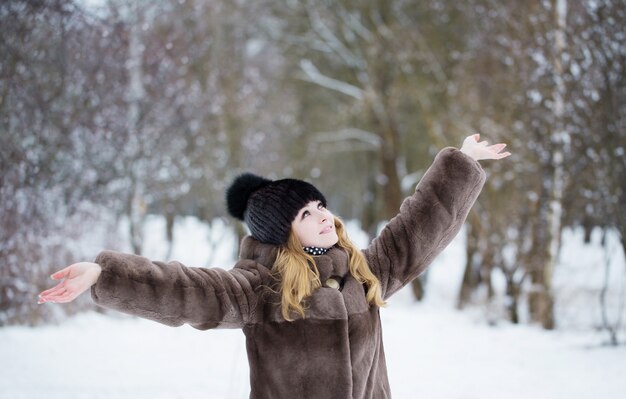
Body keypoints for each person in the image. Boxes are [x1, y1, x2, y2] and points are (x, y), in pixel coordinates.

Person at [38, 134, 510, 399]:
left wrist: (462, 162)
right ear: (285, 231)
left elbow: (418, 229)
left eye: (321, 205)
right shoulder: (260, 289)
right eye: (307, 213)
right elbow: (188, 290)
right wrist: (106, 274)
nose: (324, 215)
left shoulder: (363, 273)